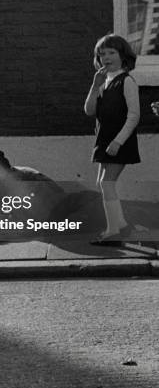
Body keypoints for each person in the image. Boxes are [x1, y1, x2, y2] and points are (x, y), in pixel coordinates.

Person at [84, 33, 140, 245]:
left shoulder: (127, 81)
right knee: (103, 183)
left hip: (119, 142)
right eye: (102, 53)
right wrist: (95, 84)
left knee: (107, 183)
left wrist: (118, 141)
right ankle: (122, 225)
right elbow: (89, 110)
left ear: (122, 55)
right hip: (103, 140)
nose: (106, 57)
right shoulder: (103, 82)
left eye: (112, 52)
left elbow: (134, 115)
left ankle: (112, 231)